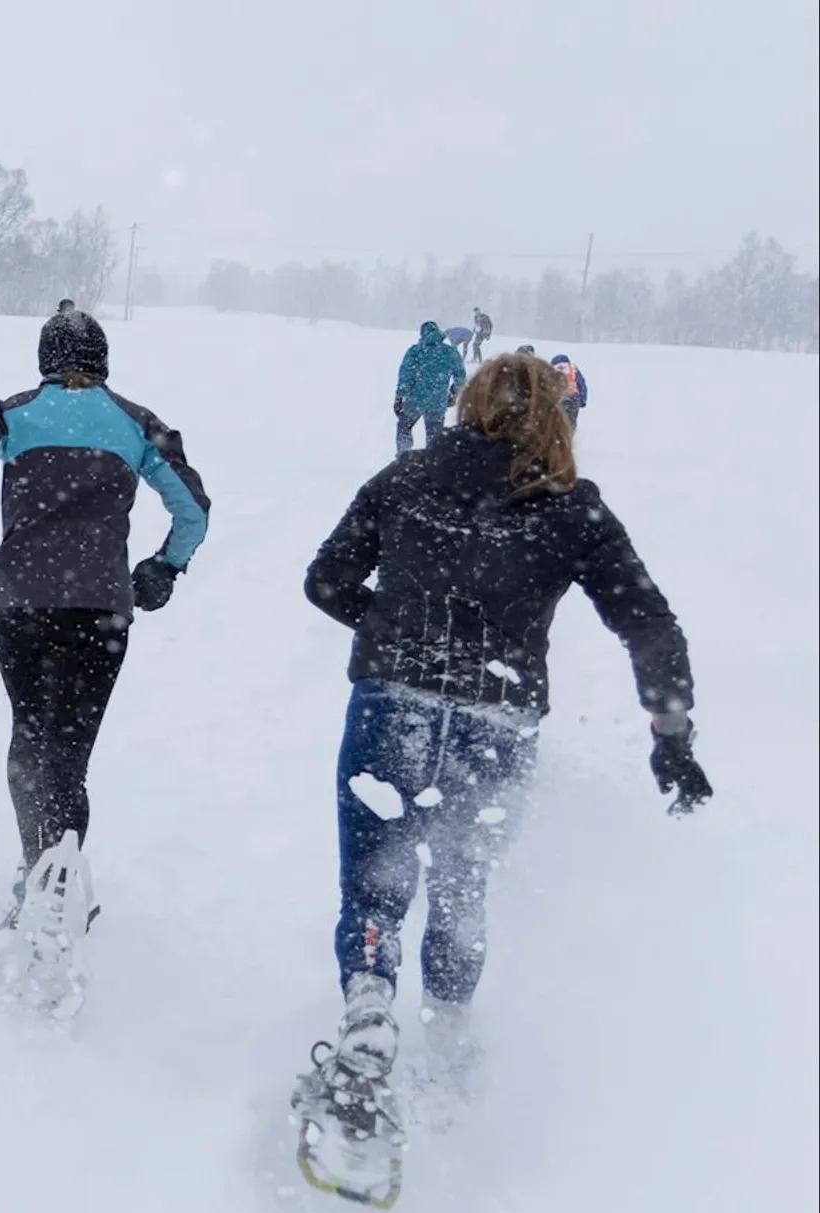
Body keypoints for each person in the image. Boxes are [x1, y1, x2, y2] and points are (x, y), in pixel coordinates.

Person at [295, 353, 711, 1170]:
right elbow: (648, 622)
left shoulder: (405, 478)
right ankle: (449, 1049)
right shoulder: (571, 505)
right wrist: (672, 733)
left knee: (376, 884)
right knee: (460, 886)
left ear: (468, 403)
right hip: (497, 719)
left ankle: (371, 1013)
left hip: (393, 707)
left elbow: (325, 579)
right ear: (556, 416)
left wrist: (389, 632)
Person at [0, 299, 210, 1011]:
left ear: (46, 362)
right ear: (103, 360)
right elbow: (195, 509)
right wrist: (165, 567)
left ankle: (37, 873)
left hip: (17, 602)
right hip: (99, 606)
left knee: (30, 731)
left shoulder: (12, 415)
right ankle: (61, 882)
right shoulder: (137, 423)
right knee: (71, 747)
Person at [392, 321, 466, 455]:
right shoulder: (450, 352)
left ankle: (403, 457)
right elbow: (460, 376)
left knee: (404, 427)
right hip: (437, 402)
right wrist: (454, 393)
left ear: (422, 334)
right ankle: (433, 464)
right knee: (435, 438)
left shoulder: (414, 351)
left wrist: (399, 398)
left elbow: (405, 376)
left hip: (413, 401)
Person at [550, 352, 589, 429]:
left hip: (558, 400)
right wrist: (583, 400)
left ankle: (559, 434)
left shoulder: (552, 369)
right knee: (571, 420)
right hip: (573, 398)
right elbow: (581, 384)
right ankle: (570, 435)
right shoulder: (573, 368)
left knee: (557, 420)